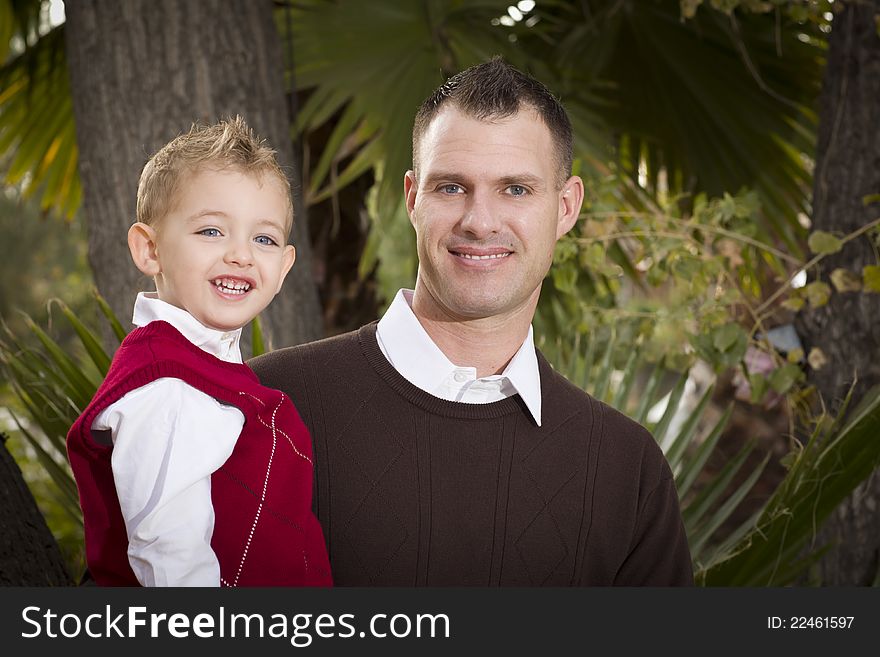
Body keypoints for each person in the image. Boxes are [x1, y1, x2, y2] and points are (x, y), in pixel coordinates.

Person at [251, 59, 693, 585]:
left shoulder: (626, 467)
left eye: (516, 189)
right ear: (413, 198)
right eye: (452, 187)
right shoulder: (266, 405)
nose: (480, 221)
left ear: (567, 207)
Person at [67, 117, 331, 587]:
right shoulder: (167, 387)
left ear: (285, 266)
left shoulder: (213, 372)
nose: (240, 255)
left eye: (264, 239)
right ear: (150, 250)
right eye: (212, 231)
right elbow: (170, 560)